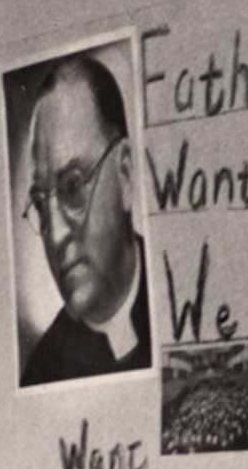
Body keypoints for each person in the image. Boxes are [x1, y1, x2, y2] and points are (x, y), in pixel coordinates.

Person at [14, 51, 150, 387]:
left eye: (73, 186)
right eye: (40, 204)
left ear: (125, 174)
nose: (55, 234)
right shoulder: (42, 372)